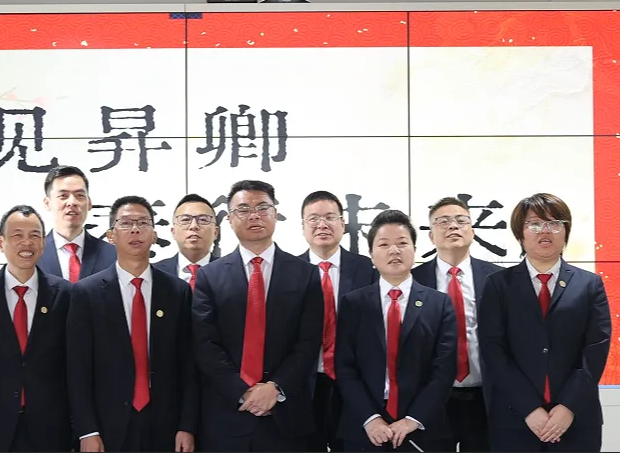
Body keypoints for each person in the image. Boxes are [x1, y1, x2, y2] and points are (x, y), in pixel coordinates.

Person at [192, 180, 323, 452]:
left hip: (287, 417)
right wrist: (242, 391)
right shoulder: (210, 276)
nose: (254, 215)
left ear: (276, 214)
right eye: (243, 209)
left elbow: (309, 342)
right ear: (229, 220)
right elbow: (205, 344)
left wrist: (275, 388)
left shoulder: (305, 273)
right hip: (227, 416)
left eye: (263, 207)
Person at [479, 193, 611, 452]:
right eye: (535, 224)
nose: (545, 231)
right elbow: (492, 349)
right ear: (520, 234)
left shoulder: (589, 284)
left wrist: (568, 406)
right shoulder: (498, 285)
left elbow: (596, 349)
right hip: (515, 419)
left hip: (575, 419)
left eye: (554, 223)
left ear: (566, 231)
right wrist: (529, 408)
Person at [67, 196, 199, 452]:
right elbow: (77, 368)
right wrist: (87, 430)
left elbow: (188, 365)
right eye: (126, 223)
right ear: (111, 235)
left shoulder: (177, 291)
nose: (135, 230)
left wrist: (187, 425)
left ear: (154, 234)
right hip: (107, 426)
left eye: (143, 223)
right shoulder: (86, 293)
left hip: (166, 424)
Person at [336, 209, 457, 452]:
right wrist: (371, 418)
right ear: (371, 255)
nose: (394, 250)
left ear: (414, 249)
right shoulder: (353, 303)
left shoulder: (439, 303)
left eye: (402, 243)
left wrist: (413, 419)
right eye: (384, 244)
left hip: (422, 429)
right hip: (364, 428)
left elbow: (444, 369)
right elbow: (345, 367)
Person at [0, 205, 72, 452]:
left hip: (52, 428)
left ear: (43, 243)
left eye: (34, 235)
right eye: (17, 235)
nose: (26, 243)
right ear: (1, 242)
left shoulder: (67, 295)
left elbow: (74, 365)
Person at [411, 197, 502, 452]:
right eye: (443, 221)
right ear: (431, 236)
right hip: (432, 400)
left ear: (472, 231)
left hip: (486, 398)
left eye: (461, 221)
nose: (453, 226)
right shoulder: (413, 280)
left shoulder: (497, 278)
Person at [296, 190, 377, 452]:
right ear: (303, 227)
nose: (322, 225)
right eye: (313, 219)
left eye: (330, 217)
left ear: (342, 223)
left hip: (356, 385)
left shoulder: (367, 269)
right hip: (303, 386)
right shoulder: (289, 271)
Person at [37, 165, 116, 282]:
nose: (72, 202)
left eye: (80, 195)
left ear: (89, 203)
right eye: (63, 196)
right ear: (47, 203)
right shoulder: (33, 253)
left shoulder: (112, 254)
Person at [153, 193, 220, 286]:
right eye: (185, 220)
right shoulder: (154, 273)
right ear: (173, 232)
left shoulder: (231, 272)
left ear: (215, 232)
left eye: (203, 220)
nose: (194, 226)